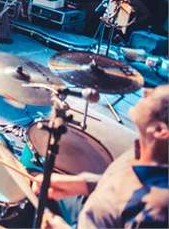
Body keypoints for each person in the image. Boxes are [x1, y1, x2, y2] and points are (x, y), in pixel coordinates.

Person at [33, 84, 169, 229]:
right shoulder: (145, 149)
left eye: (155, 96)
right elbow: (123, 187)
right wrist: (82, 184)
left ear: (159, 130)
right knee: (33, 174)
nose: (146, 91)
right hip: (93, 206)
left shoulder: (156, 210)